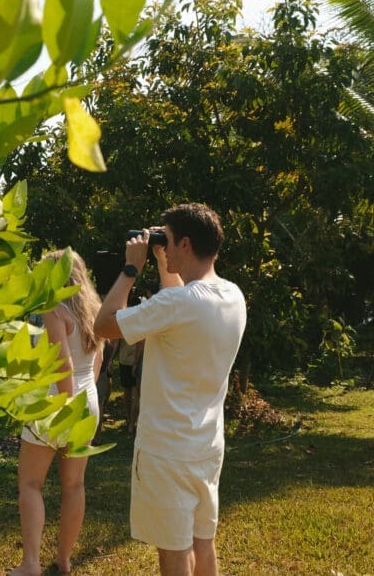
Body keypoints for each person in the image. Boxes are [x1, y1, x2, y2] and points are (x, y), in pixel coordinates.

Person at [93, 203, 247, 576]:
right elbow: (180, 305)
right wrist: (165, 263)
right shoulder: (232, 295)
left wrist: (131, 268)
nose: (162, 243)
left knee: (174, 553)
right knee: (202, 543)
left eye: (168, 239)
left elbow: (104, 325)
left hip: (166, 451)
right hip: (206, 445)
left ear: (186, 244)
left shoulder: (177, 303)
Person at [10, 249, 104, 576]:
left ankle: (31, 564)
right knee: (74, 485)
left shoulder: (54, 309)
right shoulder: (94, 310)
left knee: (31, 484)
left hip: (55, 403)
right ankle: (64, 560)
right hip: (88, 402)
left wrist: (63, 407)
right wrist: (81, 402)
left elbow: (62, 366)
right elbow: (96, 364)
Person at [116, 301, 144, 434]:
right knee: (131, 393)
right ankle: (130, 421)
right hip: (127, 361)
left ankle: (131, 423)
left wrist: (135, 363)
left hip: (131, 361)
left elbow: (139, 344)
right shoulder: (130, 323)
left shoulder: (132, 323)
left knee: (132, 393)